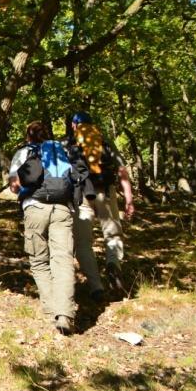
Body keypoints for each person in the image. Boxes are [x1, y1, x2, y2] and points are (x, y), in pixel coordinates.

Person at [9, 121, 88, 335]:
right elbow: (76, 178)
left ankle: (51, 306)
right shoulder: (63, 151)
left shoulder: (23, 153)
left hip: (34, 208)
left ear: (28, 136)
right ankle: (65, 313)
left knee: (38, 259)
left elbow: (14, 186)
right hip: (63, 208)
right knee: (62, 259)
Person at [67, 111, 135, 295]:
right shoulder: (104, 142)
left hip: (81, 195)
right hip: (105, 192)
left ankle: (96, 286)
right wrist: (128, 198)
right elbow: (122, 171)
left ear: (74, 125)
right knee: (112, 234)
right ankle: (113, 264)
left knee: (83, 242)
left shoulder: (69, 144)